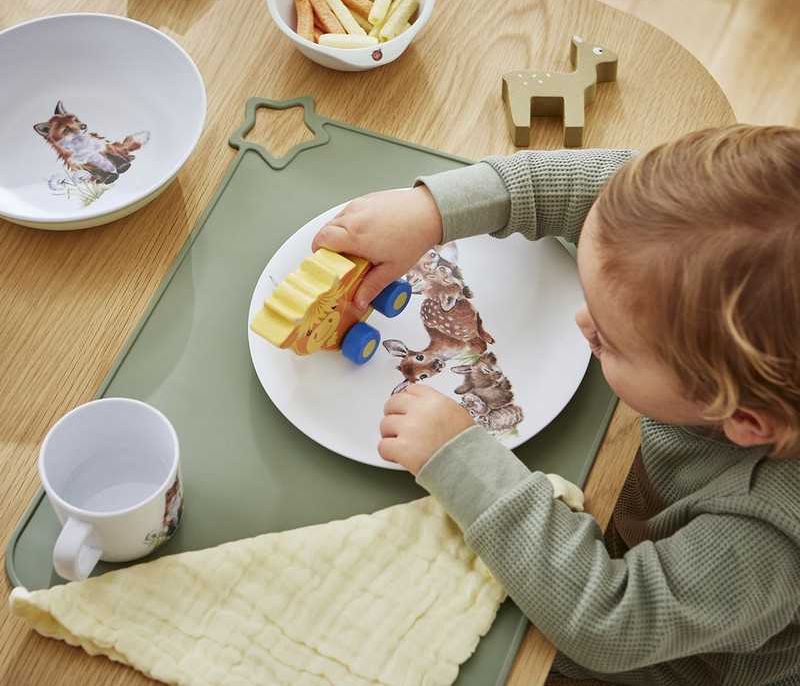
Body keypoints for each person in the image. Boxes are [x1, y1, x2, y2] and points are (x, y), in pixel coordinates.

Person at [311, 125, 800, 686]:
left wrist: (460, 459)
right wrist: (432, 211)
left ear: (742, 419)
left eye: (609, 340)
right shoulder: (699, 232)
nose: (581, 321)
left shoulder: (770, 541)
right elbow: (594, 187)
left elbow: (610, 623)